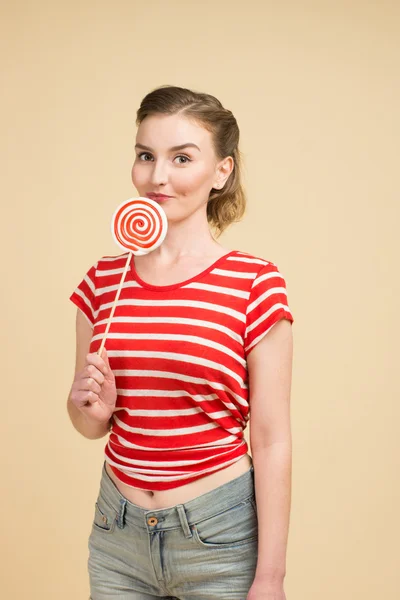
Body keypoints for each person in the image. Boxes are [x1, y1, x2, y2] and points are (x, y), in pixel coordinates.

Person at [67, 85, 294, 600]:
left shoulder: (255, 282)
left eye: (181, 158)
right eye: (146, 155)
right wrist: (88, 407)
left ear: (222, 172)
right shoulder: (103, 280)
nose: (158, 176)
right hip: (116, 534)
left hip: (218, 535)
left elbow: (272, 438)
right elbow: (86, 422)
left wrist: (271, 577)